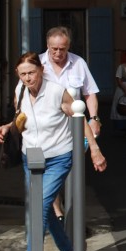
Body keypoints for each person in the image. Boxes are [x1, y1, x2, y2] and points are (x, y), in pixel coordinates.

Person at [0, 52, 107, 251]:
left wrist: (94, 148)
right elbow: (20, 119)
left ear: (41, 71)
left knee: (39, 206)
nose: (28, 78)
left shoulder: (56, 91)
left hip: (58, 157)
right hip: (31, 157)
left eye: (31, 73)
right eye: (23, 74)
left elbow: (79, 116)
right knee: (42, 207)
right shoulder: (20, 90)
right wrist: (5, 127)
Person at [36, 26, 104, 223]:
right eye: (54, 49)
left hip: (76, 126)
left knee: (71, 171)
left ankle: (74, 218)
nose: (58, 53)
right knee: (52, 170)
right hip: (47, 127)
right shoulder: (38, 63)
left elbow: (89, 93)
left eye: (62, 49)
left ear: (69, 46)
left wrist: (94, 118)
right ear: (47, 46)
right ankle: (58, 213)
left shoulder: (78, 63)